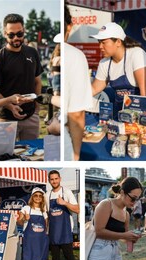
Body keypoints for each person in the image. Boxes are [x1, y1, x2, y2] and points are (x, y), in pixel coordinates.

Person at [90, 22, 146, 118]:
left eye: (104, 42)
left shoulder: (136, 54)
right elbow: (94, 89)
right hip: (126, 113)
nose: (100, 47)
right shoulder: (104, 63)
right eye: (99, 42)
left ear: (118, 42)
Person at [0, 14, 43, 140]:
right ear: (5, 34)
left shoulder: (32, 52)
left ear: (24, 31)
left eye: (19, 34)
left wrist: (37, 105)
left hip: (30, 116)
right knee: (5, 156)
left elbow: (37, 82)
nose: (16, 38)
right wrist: (10, 106)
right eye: (11, 35)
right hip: (5, 118)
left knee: (33, 155)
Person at [86, 177, 143, 260]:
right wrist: (124, 236)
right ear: (122, 192)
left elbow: (124, 238)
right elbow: (99, 231)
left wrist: (132, 238)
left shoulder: (126, 214)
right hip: (100, 249)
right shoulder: (106, 204)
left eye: (137, 199)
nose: (135, 202)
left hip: (116, 250)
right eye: (133, 198)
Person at [64, 4, 93, 160]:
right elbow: (76, 113)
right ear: (69, 26)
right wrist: (75, 156)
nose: (101, 46)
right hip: (64, 139)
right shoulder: (76, 55)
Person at [44, 170, 79, 260]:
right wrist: (46, 230)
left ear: (60, 179)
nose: (54, 181)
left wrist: (64, 203)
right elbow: (47, 214)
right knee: (55, 258)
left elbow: (78, 209)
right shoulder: (46, 195)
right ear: (49, 181)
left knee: (69, 259)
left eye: (56, 178)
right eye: (51, 179)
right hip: (53, 232)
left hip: (65, 232)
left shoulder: (67, 192)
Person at [16, 187, 49, 260]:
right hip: (29, 243)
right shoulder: (26, 208)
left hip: (40, 242)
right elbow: (19, 222)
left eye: (40, 196)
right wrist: (24, 219)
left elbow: (46, 225)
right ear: (32, 197)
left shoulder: (43, 211)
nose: (38, 198)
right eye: (36, 195)